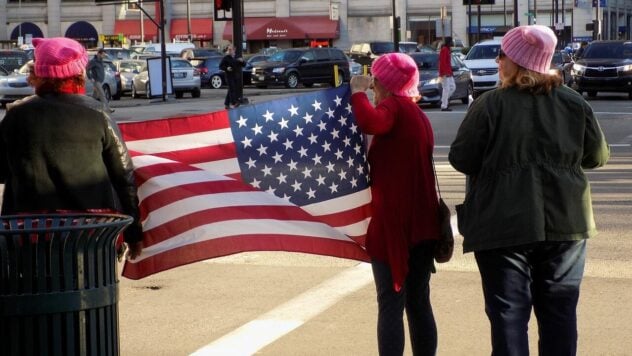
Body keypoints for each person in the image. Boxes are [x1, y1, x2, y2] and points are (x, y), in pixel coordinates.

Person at [449, 25, 610, 355]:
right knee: (560, 315)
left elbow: (461, 158)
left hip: (502, 225)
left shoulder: (490, 104)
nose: (497, 61)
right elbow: (597, 156)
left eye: (502, 55)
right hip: (566, 223)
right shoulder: (574, 103)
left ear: (518, 62)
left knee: (508, 316)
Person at [0, 37, 144, 260]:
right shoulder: (98, 114)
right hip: (91, 239)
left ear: (38, 73)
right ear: (78, 73)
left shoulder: (15, 116)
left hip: (28, 239)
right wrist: (134, 234)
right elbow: (124, 177)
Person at [349, 53, 442, 355]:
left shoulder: (394, 107)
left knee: (390, 304)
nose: (373, 87)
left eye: (375, 81)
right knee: (419, 303)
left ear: (384, 83)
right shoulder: (418, 113)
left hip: (395, 225)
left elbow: (370, 121)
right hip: (424, 224)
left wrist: (356, 92)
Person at [87, 48, 114, 113]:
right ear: (99, 54)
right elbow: (87, 69)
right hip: (96, 81)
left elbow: (111, 59)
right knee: (102, 94)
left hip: (101, 80)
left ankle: (89, 107)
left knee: (95, 96)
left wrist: (107, 56)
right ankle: (108, 109)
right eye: (103, 54)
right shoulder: (93, 61)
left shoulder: (101, 60)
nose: (104, 56)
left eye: (104, 55)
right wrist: (90, 78)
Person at [219, 44, 245, 109]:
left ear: (234, 50)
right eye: (229, 50)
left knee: (231, 90)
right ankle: (234, 102)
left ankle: (226, 104)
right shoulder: (226, 58)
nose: (230, 51)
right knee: (232, 89)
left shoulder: (237, 57)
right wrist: (227, 68)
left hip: (236, 76)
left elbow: (244, 64)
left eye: (231, 50)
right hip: (229, 76)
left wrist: (242, 61)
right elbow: (221, 66)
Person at [438, 37, 456, 112]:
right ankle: (444, 106)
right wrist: (445, 73)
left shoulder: (448, 49)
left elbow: (448, 63)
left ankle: (443, 101)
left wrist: (450, 72)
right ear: (449, 42)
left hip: (449, 72)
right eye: (451, 41)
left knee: (453, 87)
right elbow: (442, 62)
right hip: (445, 73)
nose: (452, 43)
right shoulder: (444, 49)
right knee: (446, 88)